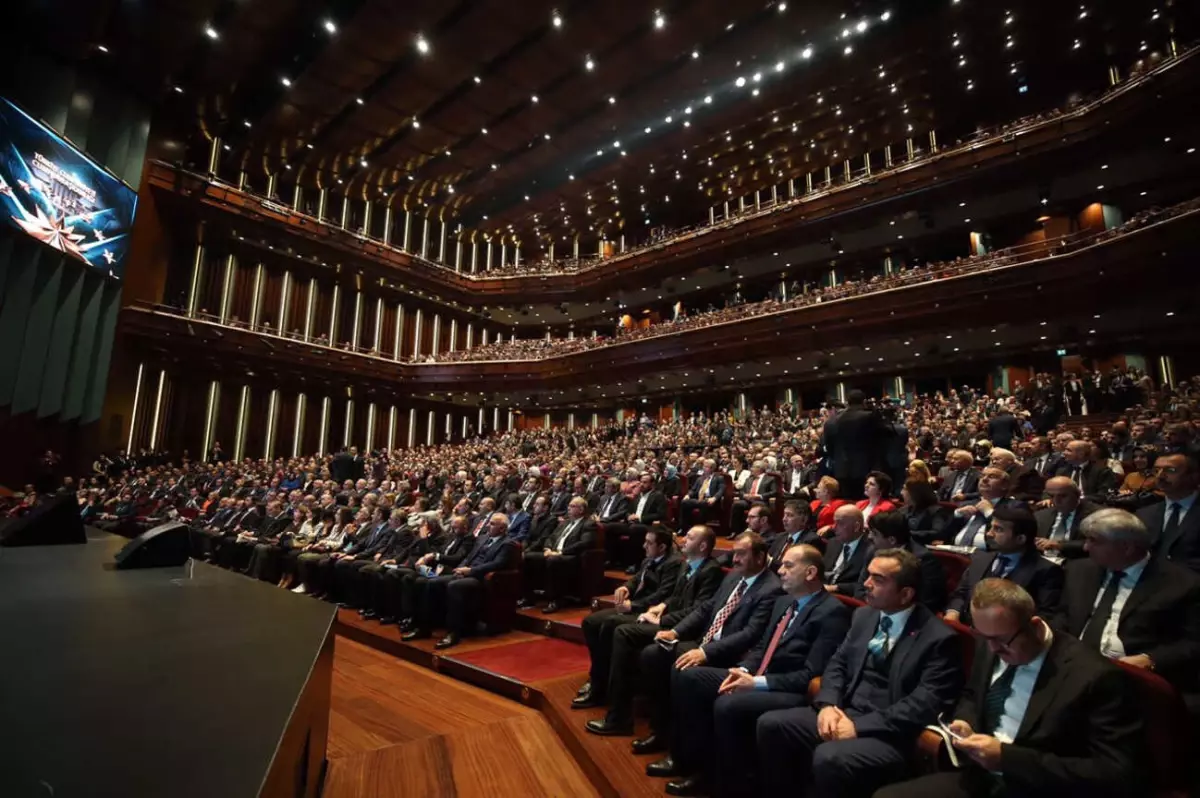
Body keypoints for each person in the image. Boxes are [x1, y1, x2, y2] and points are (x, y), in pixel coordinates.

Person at [876, 579, 1144, 798]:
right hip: (982, 775)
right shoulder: (994, 640)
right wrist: (965, 722)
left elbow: (1114, 772)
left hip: (1039, 785)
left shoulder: (1095, 676)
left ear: (1036, 626)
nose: (993, 649)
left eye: (1001, 641)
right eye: (985, 638)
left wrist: (1007, 759)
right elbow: (971, 695)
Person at [754, 548, 963, 798]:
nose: (866, 584)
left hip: (889, 732)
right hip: (844, 711)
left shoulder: (939, 638)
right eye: (868, 575)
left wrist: (859, 726)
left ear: (906, 593)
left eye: (878, 579)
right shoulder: (864, 615)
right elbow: (837, 663)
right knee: (772, 724)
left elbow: (924, 703)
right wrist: (829, 704)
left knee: (830, 757)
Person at [658, 545, 853, 797]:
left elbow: (809, 675)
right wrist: (741, 670)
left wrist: (756, 682)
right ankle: (691, 761)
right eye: (781, 565)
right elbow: (762, 647)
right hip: (757, 675)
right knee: (690, 676)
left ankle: (729, 785)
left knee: (727, 705)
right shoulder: (785, 601)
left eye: (788, 566)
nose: (780, 571)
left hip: (788, 689)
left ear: (811, 572)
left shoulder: (832, 613)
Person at [612, 532, 783, 755]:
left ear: (760, 557)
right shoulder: (734, 577)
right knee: (652, 655)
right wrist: (675, 631)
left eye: (741, 554)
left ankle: (681, 748)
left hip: (728, 654)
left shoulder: (770, 588)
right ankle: (660, 731)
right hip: (704, 640)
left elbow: (750, 634)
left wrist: (705, 651)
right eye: (734, 553)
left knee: (679, 668)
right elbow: (706, 609)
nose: (735, 559)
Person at [581, 526, 724, 735]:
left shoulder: (710, 570)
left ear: (702, 545)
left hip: (682, 629)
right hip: (667, 618)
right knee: (599, 624)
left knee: (622, 631)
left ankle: (619, 717)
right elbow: (675, 598)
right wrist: (661, 607)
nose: (683, 540)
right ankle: (604, 690)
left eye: (690, 537)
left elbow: (698, 610)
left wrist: (661, 619)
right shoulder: (689, 565)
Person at [1056, 508, 1200, 712]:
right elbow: (1064, 615)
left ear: (1126, 547)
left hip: (1130, 678)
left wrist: (1150, 660)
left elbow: (1192, 643)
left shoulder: (1182, 584)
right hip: (1072, 667)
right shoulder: (1079, 570)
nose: (1086, 547)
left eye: (1094, 541)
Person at [575, 528, 683, 709]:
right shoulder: (649, 559)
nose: (644, 546)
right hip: (636, 606)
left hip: (649, 612)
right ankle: (598, 676)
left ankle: (601, 688)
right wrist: (626, 587)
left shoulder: (673, 564)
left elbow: (663, 594)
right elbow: (636, 579)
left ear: (662, 547)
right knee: (590, 622)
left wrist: (633, 606)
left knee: (610, 624)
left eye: (649, 543)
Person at [401, 514, 518, 648]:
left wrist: (470, 571)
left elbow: (497, 564)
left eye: (492, 524)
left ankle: (453, 633)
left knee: (454, 586)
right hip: (465, 572)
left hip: (480, 577)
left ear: (502, 529)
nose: (487, 526)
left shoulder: (508, 543)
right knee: (430, 582)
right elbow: (468, 557)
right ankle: (423, 628)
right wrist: (460, 567)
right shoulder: (482, 538)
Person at [944, 504, 1063, 625]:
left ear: (1020, 539)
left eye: (998, 529)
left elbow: (1044, 616)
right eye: (991, 527)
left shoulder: (1046, 571)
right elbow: (961, 594)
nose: (989, 534)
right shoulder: (980, 558)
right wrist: (953, 612)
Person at [854, 510, 948, 612]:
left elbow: (927, 602)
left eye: (875, 533)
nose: (869, 537)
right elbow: (860, 590)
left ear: (892, 540)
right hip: (871, 611)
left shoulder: (924, 560)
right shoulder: (873, 551)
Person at [518, 496, 597, 613]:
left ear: (581, 510)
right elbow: (551, 537)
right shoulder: (565, 523)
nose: (568, 508)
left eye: (572, 506)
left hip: (571, 556)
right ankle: (529, 597)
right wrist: (548, 548)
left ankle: (555, 600)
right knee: (527, 557)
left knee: (553, 561)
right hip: (553, 552)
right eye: (569, 506)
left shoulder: (588, 524)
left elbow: (584, 543)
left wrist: (560, 552)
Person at [1135, 452, 1200, 573]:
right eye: (1156, 470)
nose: (1160, 476)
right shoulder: (1144, 514)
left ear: (1194, 476)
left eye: (1170, 470)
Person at [820, 389, 891, 501]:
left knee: (848, 504)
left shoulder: (830, 422)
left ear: (847, 402)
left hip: (841, 470)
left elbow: (829, 447)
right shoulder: (870, 416)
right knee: (867, 504)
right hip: (867, 470)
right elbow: (885, 438)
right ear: (863, 401)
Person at [936, 468, 1016, 550]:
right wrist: (957, 514)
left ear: (1004, 485)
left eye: (992, 477)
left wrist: (989, 512)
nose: (984, 479)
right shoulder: (967, 504)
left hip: (989, 556)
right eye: (982, 476)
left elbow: (1010, 534)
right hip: (956, 552)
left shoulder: (1014, 507)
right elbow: (943, 534)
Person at [1034, 477, 1099, 559]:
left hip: (1075, 563)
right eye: (1051, 496)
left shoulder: (1097, 515)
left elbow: (1098, 543)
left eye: (1062, 496)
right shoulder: (1040, 515)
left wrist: (1060, 545)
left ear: (1077, 494)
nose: (1056, 501)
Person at [824, 504, 870, 594]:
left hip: (847, 598)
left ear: (856, 527)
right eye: (834, 522)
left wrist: (836, 588)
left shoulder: (870, 549)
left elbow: (865, 585)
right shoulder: (833, 542)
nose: (834, 528)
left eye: (840, 523)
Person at [680, 458, 726, 526]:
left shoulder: (719, 478)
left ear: (712, 468)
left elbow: (721, 490)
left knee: (703, 503)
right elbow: (693, 490)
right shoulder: (700, 478)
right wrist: (688, 495)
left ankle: (699, 526)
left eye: (706, 467)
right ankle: (684, 527)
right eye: (704, 466)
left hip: (710, 500)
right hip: (699, 499)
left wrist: (714, 498)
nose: (704, 468)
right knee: (684, 502)